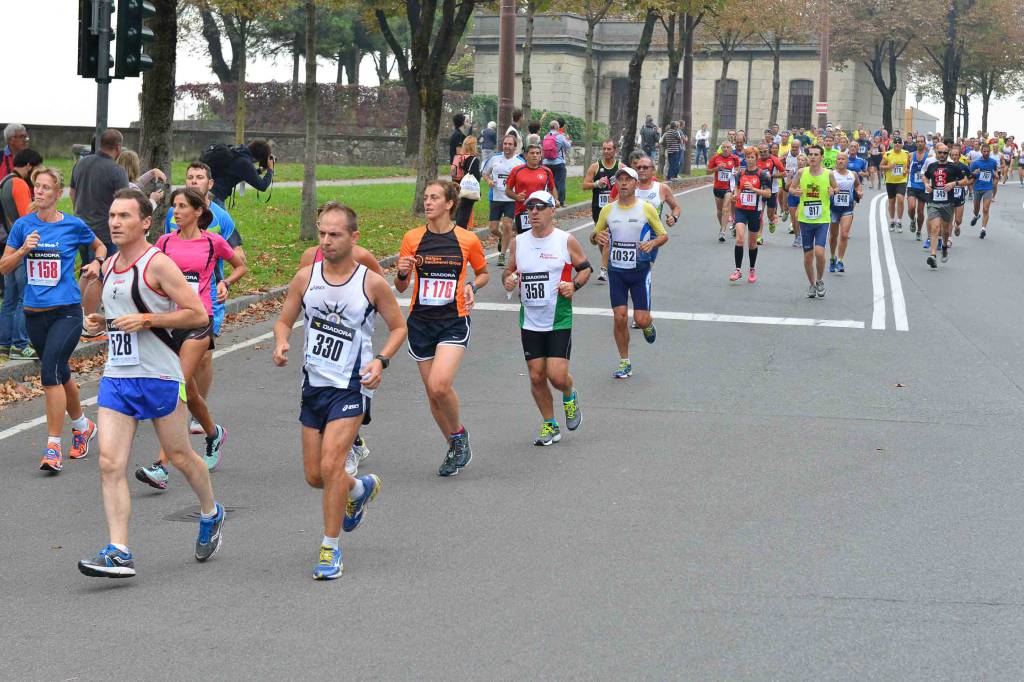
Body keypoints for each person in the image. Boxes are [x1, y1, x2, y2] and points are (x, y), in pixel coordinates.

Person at [77, 188, 225, 578]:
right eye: (111, 216)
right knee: (110, 463)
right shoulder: (108, 266)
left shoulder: (157, 264)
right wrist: (100, 325)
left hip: (159, 374)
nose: (115, 222)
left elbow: (195, 315)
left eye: (124, 216)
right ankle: (119, 550)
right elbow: (117, 318)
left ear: (145, 222)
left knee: (179, 457)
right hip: (118, 376)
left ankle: (211, 511)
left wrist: (148, 321)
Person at [272, 201, 406, 579]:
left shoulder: (370, 282)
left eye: (335, 234)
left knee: (332, 466)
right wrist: (281, 342)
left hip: (351, 386)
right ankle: (359, 490)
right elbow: (284, 320)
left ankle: (330, 550)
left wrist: (380, 361)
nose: (326, 241)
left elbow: (398, 327)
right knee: (315, 476)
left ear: (354, 238)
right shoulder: (305, 277)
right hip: (313, 385)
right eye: (322, 233)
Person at [132, 187, 247, 489]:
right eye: (174, 207)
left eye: (183, 206)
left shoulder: (213, 242)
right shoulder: (164, 243)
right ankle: (214, 434)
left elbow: (240, 265)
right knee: (191, 393)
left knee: (175, 387)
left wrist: (225, 283)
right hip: (171, 323)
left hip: (199, 320)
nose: (177, 212)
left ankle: (161, 465)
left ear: (198, 211)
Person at [0, 167, 106, 471]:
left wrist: (96, 263)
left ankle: (52, 447)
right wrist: (23, 250)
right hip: (34, 314)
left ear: (58, 194)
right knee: (60, 371)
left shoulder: (73, 225)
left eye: (46, 187)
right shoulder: (23, 226)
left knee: (49, 374)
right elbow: (4, 267)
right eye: (37, 186)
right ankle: (83, 426)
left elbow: (98, 245)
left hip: (67, 311)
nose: (40, 192)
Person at [395, 180, 488, 477]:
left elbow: (484, 273)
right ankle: (453, 445)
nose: (428, 202)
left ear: (449, 203)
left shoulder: (467, 240)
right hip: (421, 323)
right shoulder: (412, 238)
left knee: (439, 385)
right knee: (432, 394)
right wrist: (401, 272)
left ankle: (459, 435)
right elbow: (400, 287)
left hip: (453, 321)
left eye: (434, 198)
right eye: (425, 197)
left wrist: (472, 286)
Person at [163, 162, 246, 437]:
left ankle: (164, 458)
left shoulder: (221, 219)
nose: (194, 181)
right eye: (190, 177)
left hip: (207, 304)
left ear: (209, 183)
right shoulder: (170, 225)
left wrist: (225, 282)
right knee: (184, 377)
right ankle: (209, 426)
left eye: (199, 177)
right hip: (172, 312)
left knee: (200, 363)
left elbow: (239, 259)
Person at [501, 190, 590, 445]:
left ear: (552, 210)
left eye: (540, 207)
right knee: (537, 376)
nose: (534, 212)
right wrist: (508, 280)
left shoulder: (565, 240)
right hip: (529, 320)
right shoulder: (519, 242)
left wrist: (574, 286)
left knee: (557, 377)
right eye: (530, 208)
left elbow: (585, 269)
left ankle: (569, 393)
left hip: (558, 318)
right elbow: (509, 271)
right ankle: (550, 424)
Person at [590, 166, 667, 378]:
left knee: (641, 319)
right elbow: (594, 235)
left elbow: (663, 235)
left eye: (628, 180)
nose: (623, 183)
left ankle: (648, 324)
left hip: (640, 271)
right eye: (620, 180)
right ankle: (625, 361)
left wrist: (652, 243)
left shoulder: (646, 208)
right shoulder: (608, 210)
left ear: (635, 184)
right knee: (620, 317)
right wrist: (597, 237)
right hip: (617, 272)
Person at [0, 148, 43, 363]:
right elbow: (27, 218)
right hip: (21, 249)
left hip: (8, 246)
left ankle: (4, 344)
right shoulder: (19, 184)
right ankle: (20, 344)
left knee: (8, 300)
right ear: (29, 165)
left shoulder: (5, 181)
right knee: (21, 298)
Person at [70, 128, 129, 261]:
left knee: (86, 270)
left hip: (81, 228)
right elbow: (125, 202)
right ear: (118, 147)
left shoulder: (80, 163)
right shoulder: (117, 171)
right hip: (105, 233)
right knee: (103, 274)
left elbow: (72, 193)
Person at [788, 145, 836, 299]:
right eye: (811, 155)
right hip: (805, 219)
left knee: (820, 252)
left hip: (822, 219)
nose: (813, 157)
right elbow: (790, 188)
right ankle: (812, 284)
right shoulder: (802, 172)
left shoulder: (829, 173)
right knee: (808, 256)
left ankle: (820, 280)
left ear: (822, 157)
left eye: (816, 154)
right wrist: (795, 191)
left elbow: (836, 188)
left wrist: (833, 191)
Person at [922, 142, 969, 268]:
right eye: (940, 152)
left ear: (947, 154)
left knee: (945, 230)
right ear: (936, 153)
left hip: (948, 203)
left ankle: (944, 247)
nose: (942, 155)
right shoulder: (932, 166)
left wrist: (954, 183)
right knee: (935, 227)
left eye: (944, 153)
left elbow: (965, 180)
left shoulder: (954, 167)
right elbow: (925, 177)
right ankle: (932, 255)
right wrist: (926, 184)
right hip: (933, 202)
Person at [729, 147, 772, 283]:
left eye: (753, 157)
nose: (750, 159)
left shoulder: (763, 175)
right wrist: (735, 196)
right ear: (745, 158)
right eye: (748, 157)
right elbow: (736, 189)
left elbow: (768, 193)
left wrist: (754, 189)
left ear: (756, 158)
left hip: (755, 211)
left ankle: (752, 268)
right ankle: (738, 270)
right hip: (741, 209)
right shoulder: (739, 174)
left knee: (752, 243)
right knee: (740, 238)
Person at [581, 140, 619, 283]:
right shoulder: (595, 167)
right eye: (604, 149)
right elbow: (584, 185)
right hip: (599, 208)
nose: (606, 151)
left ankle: (604, 269)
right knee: (601, 239)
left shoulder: (620, 167)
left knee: (608, 237)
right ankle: (608, 261)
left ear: (615, 150)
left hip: (615, 209)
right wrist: (597, 184)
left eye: (609, 148)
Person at [483, 134, 524, 267]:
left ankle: (502, 255)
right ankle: (503, 238)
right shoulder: (494, 159)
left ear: (515, 146)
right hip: (495, 198)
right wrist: (489, 180)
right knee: (493, 228)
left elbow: (523, 178)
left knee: (507, 226)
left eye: (510, 144)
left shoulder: (519, 162)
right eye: (505, 144)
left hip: (511, 199)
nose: (507, 146)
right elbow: (484, 173)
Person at [505, 144, 557, 235]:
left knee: (542, 236)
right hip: (523, 211)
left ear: (541, 156)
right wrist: (517, 197)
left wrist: (555, 200)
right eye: (532, 153)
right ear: (525, 156)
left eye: (537, 153)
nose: (535, 155)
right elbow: (507, 190)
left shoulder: (547, 171)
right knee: (525, 238)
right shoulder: (517, 170)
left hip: (542, 210)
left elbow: (552, 188)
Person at [207, 139, 274, 207]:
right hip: (215, 196)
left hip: (209, 190)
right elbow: (262, 186)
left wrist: (259, 171)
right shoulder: (245, 163)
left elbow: (242, 174)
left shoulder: (239, 152)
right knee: (221, 217)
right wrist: (270, 170)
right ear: (260, 157)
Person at [827, 152, 863, 274]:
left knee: (844, 234)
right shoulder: (830, 174)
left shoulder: (853, 174)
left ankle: (840, 260)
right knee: (833, 236)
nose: (841, 161)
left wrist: (859, 192)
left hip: (847, 208)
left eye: (843, 159)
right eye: (839, 159)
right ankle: (832, 257)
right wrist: (830, 190)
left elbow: (858, 185)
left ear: (847, 161)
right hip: (833, 208)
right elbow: (825, 188)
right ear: (836, 161)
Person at [708, 141, 742, 242]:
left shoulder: (734, 158)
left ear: (731, 149)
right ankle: (722, 226)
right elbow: (708, 171)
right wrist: (717, 168)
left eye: (728, 147)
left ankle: (722, 231)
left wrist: (736, 172)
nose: (726, 149)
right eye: (724, 147)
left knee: (725, 208)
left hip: (728, 187)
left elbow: (737, 169)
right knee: (719, 211)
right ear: (721, 148)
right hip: (718, 187)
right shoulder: (716, 158)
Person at [879, 136, 909, 232]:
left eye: (899, 142)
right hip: (890, 181)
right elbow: (880, 166)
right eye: (895, 142)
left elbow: (908, 166)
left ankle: (899, 221)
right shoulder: (888, 154)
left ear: (901, 144)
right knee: (891, 202)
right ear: (893, 144)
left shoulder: (906, 154)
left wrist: (906, 171)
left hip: (902, 180)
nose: (897, 144)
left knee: (900, 199)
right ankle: (892, 220)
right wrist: (889, 166)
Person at [969, 143, 998, 239]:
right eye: (984, 151)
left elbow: (995, 170)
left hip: (988, 188)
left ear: (989, 152)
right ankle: (976, 216)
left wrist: (996, 174)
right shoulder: (976, 163)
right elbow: (969, 175)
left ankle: (983, 229)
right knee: (976, 209)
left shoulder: (993, 162)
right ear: (981, 152)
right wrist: (974, 172)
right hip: (977, 188)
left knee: (986, 209)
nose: (986, 153)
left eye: (987, 151)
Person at [452, 135, 482, 229]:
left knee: (459, 210)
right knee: (465, 213)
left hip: (458, 187)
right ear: (473, 146)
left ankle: (456, 230)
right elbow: (476, 177)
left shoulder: (458, 158)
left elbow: (454, 172)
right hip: (468, 189)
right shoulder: (474, 160)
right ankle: (461, 233)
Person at [906, 136, 932, 241]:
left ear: (925, 143)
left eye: (922, 142)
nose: (920, 143)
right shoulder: (911, 155)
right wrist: (906, 171)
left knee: (920, 211)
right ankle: (912, 220)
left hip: (923, 186)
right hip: (912, 185)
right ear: (916, 143)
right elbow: (907, 167)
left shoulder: (929, 156)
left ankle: (919, 231)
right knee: (911, 207)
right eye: (918, 142)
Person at [541, 119, 571, 206]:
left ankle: (548, 201)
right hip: (558, 162)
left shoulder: (546, 136)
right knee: (560, 183)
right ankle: (560, 201)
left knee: (548, 183)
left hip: (546, 163)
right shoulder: (560, 136)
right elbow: (567, 146)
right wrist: (568, 140)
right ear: (557, 127)